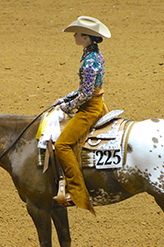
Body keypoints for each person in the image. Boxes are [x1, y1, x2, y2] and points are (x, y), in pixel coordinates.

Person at [53, 16, 111, 215]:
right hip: (98, 102)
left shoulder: (89, 62)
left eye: (77, 33)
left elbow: (85, 94)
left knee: (61, 145)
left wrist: (67, 107)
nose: (75, 36)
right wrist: (63, 99)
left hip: (90, 109)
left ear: (86, 37)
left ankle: (75, 192)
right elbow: (84, 88)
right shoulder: (94, 54)